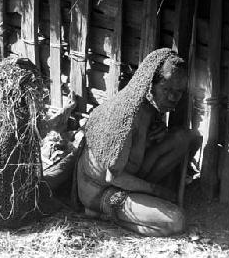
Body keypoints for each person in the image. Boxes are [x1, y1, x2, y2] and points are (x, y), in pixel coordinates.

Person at [74, 48, 200, 236]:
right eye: (166, 89)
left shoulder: (148, 109)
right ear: (150, 85)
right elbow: (114, 177)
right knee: (176, 220)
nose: (173, 98)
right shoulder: (125, 118)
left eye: (179, 92)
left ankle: (144, 201)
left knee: (187, 138)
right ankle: (105, 215)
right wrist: (158, 191)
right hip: (103, 191)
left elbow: (138, 149)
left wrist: (156, 136)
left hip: (130, 175)